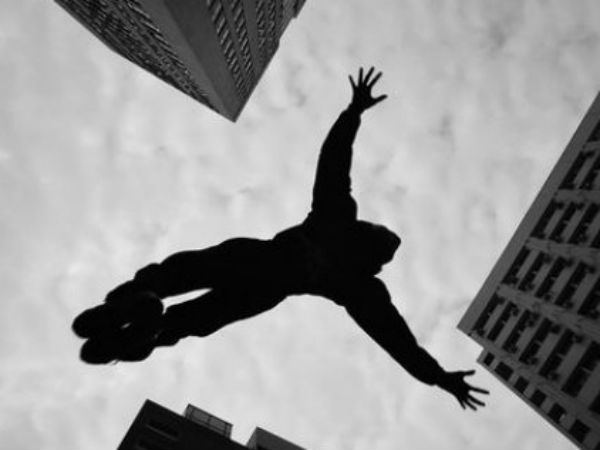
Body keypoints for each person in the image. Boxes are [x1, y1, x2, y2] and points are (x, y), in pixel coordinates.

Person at [73, 67, 488, 410]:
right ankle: (148, 327)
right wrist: (438, 378)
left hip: (256, 260)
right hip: (264, 291)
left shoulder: (339, 225)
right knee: (199, 313)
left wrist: (353, 113)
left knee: (188, 275)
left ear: (371, 235)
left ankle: (140, 307)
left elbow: (334, 162)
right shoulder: (359, 283)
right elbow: (397, 341)